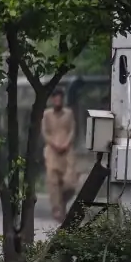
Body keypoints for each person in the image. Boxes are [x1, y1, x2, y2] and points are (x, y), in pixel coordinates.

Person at [42, 92, 80, 223]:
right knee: (53, 182)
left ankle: (62, 202)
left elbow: (72, 131)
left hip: (67, 151)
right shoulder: (47, 114)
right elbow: (45, 132)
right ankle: (57, 208)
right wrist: (54, 144)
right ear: (52, 100)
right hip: (52, 151)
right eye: (55, 99)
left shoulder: (68, 114)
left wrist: (66, 144)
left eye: (60, 99)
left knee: (69, 184)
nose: (57, 101)